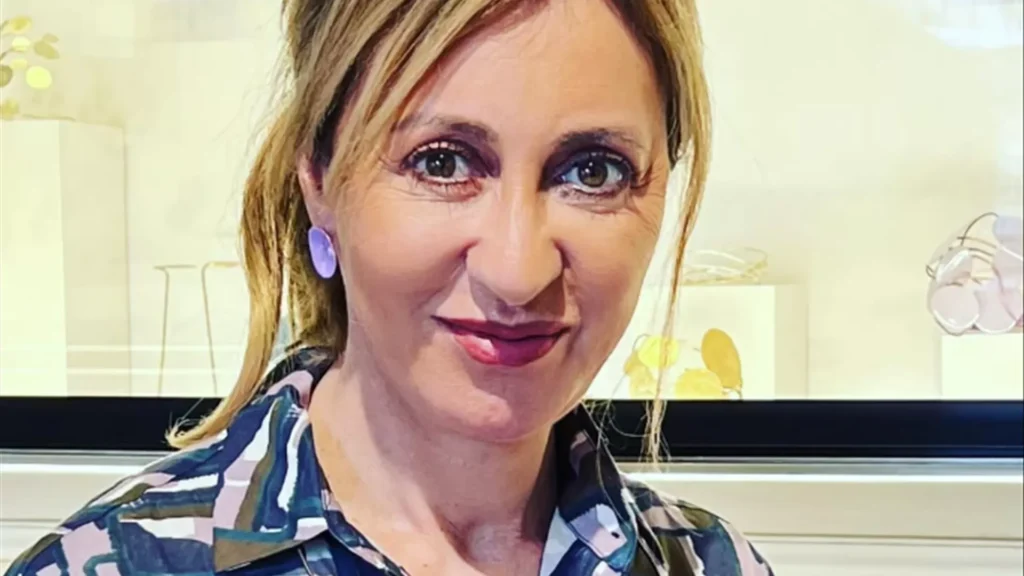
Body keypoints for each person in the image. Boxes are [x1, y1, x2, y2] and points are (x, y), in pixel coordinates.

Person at [7, 0, 775, 574]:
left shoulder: (711, 564)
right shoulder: (115, 563)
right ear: (319, 180)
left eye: (593, 171)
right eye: (442, 162)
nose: (518, 271)